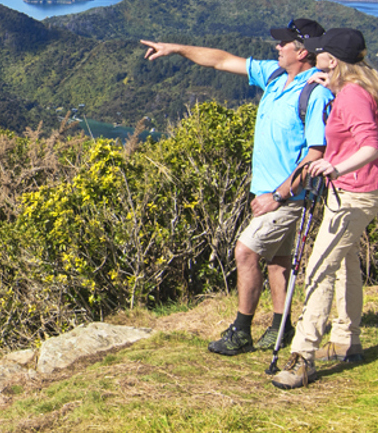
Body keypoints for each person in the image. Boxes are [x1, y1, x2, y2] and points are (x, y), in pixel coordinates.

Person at [142, 18, 333, 356]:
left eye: (284, 43)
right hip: (268, 193)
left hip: (286, 197)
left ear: (302, 52)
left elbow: (316, 153)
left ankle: (242, 330)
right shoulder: (275, 76)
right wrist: (175, 48)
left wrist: (278, 196)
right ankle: (281, 326)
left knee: (245, 252)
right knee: (278, 261)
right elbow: (220, 59)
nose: (277, 47)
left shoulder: (315, 92)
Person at [271, 27, 378, 390]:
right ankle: (346, 340)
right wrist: (334, 87)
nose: (313, 56)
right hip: (361, 191)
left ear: (332, 59)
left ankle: (303, 355)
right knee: (345, 262)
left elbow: (370, 146)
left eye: (319, 53)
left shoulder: (354, 94)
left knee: (320, 267)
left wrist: (335, 167)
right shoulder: (353, 88)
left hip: (354, 193)